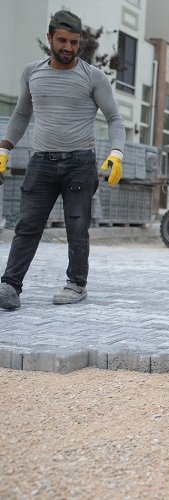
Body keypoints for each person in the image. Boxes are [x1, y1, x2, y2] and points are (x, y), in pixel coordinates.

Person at [0, 10, 125, 310]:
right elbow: (20, 115)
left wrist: (116, 153)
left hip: (80, 163)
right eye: (62, 41)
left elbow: (115, 118)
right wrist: (4, 148)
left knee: (77, 226)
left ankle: (76, 284)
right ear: (50, 38)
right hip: (41, 162)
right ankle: (9, 286)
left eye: (74, 42)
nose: (68, 47)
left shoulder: (93, 76)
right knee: (27, 225)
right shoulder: (32, 72)